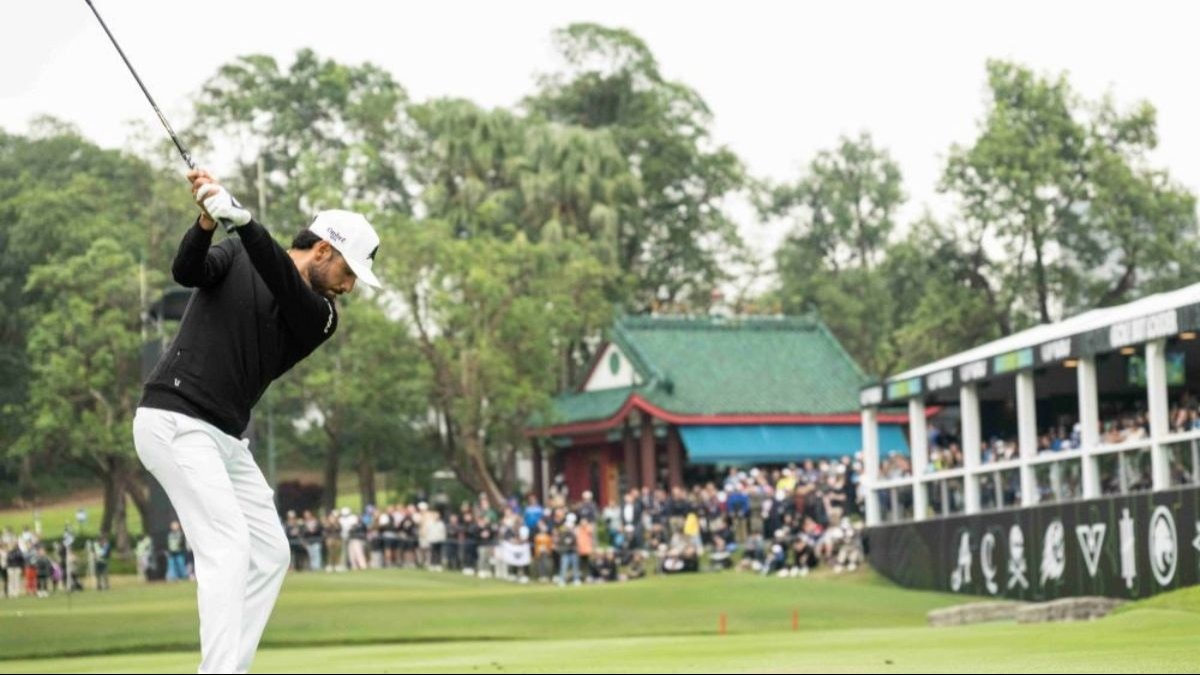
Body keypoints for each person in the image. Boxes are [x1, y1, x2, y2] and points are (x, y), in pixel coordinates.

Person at [131, 170, 382, 674]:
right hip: (174, 419)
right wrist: (207, 222)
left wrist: (242, 219)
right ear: (323, 251)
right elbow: (187, 271)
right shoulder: (239, 252)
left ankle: (230, 667)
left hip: (223, 437)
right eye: (349, 271)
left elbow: (281, 279)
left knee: (270, 553)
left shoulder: (321, 315)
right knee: (228, 545)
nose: (350, 286)